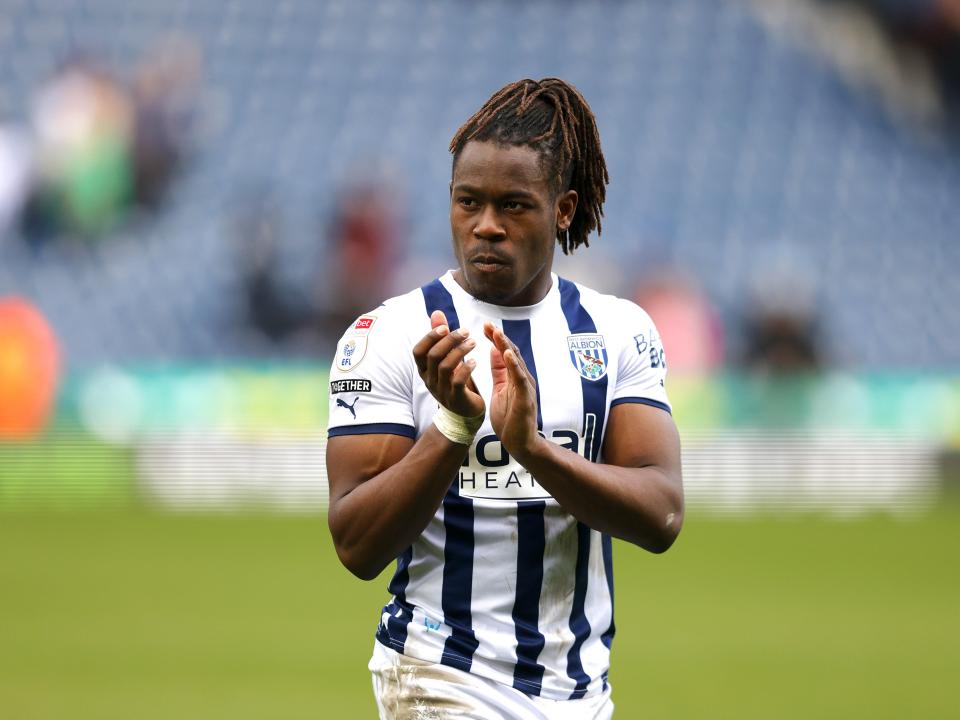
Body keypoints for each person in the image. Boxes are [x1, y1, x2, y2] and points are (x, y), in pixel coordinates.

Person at [325, 78, 684, 719]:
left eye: (513, 205)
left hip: (580, 690)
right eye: (469, 202)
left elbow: (661, 515)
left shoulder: (618, 330)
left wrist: (534, 451)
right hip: (439, 675)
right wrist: (454, 428)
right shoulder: (386, 335)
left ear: (564, 210)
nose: (486, 226)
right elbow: (356, 544)